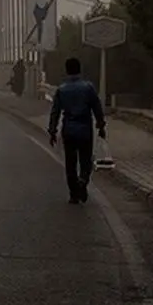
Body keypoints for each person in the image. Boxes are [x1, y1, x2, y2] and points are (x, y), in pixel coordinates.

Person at [47, 57, 106, 204]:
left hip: (69, 130)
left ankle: (74, 193)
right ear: (80, 70)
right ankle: (83, 181)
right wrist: (101, 125)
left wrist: (52, 131)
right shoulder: (88, 88)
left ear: (66, 71)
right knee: (86, 161)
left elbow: (55, 112)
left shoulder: (61, 90)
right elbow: (97, 108)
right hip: (85, 129)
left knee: (70, 163)